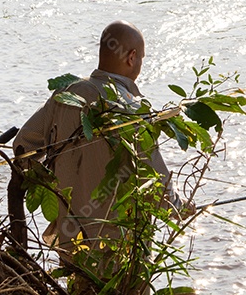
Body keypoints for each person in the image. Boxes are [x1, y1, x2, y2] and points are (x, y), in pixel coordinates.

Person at [15, 20, 183, 292]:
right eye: (141, 57)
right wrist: (178, 205)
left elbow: (23, 146)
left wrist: (50, 189)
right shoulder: (133, 108)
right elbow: (156, 181)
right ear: (132, 58)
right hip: (120, 248)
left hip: (73, 240)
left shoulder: (66, 94)